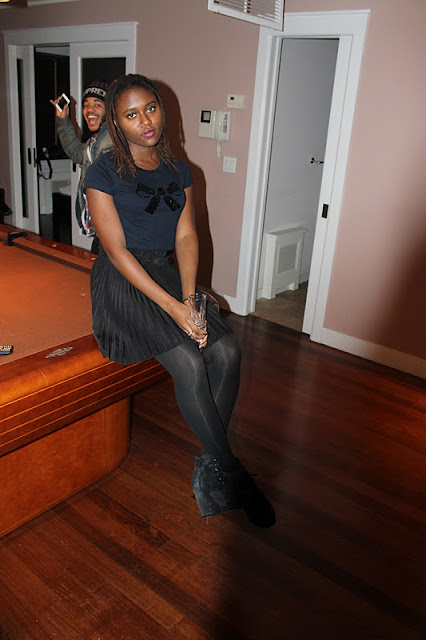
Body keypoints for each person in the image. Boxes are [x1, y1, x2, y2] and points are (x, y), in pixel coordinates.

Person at [84, 73, 275, 527]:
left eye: (150, 108)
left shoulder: (180, 170)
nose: (145, 121)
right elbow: (115, 250)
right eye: (132, 114)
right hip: (123, 279)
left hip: (167, 272)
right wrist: (174, 309)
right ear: (116, 122)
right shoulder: (103, 171)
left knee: (227, 351)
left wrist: (190, 298)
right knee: (189, 362)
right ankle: (233, 473)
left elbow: (186, 235)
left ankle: (212, 461)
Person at [50, 81, 113, 253]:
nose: (89, 110)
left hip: (115, 232)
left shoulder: (111, 139)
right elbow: (76, 153)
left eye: (97, 104)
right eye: (86, 105)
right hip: (103, 232)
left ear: (109, 110)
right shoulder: (95, 142)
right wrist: (63, 119)